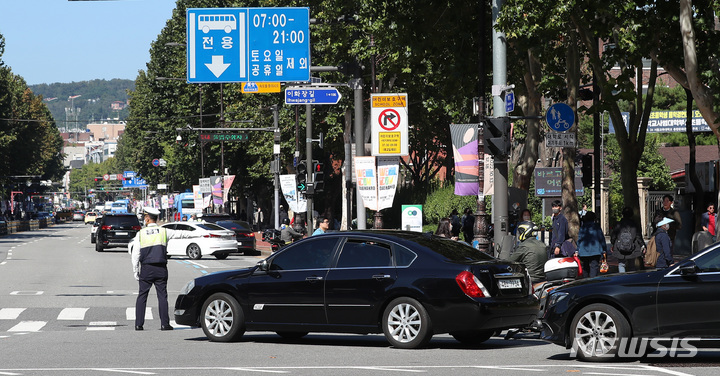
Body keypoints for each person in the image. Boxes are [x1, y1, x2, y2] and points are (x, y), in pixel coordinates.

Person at [131, 207, 174, 331]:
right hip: (161, 268)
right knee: (162, 296)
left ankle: (139, 324)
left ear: (148, 218)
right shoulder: (164, 231)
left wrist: (135, 270)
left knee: (142, 296)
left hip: (146, 268)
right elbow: (181, 233)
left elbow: (136, 255)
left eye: (145, 217)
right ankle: (165, 324)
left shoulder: (141, 233)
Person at [611, 207, 646, 273]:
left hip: (619, 248)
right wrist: (642, 245)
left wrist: (613, 243)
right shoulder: (634, 225)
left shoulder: (618, 224)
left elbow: (613, 236)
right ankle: (631, 279)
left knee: (621, 264)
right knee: (632, 265)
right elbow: (638, 236)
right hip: (632, 247)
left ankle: (623, 279)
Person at [577, 211, 607, 278]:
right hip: (595, 250)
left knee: (585, 267)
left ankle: (585, 281)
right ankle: (593, 281)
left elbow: (579, 239)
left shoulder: (583, 227)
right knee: (594, 267)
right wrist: (604, 249)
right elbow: (601, 238)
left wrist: (577, 250)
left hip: (584, 251)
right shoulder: (597, 227)